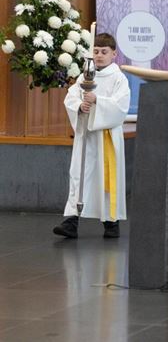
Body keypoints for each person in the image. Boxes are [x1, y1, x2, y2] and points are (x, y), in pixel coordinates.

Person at [53, 33, 131, 239]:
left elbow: (121, 106)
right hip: (86, 135)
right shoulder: (85, 76)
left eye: (104, 52)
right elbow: (71, 97)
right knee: (78, 176)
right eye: (96, 52)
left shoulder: (119, 78)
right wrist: (80, 106)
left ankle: (111, 223)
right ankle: (71, 221)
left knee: (106, 179)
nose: (99, 56)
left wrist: (97, 101)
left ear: (114, 54)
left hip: (106, 137)